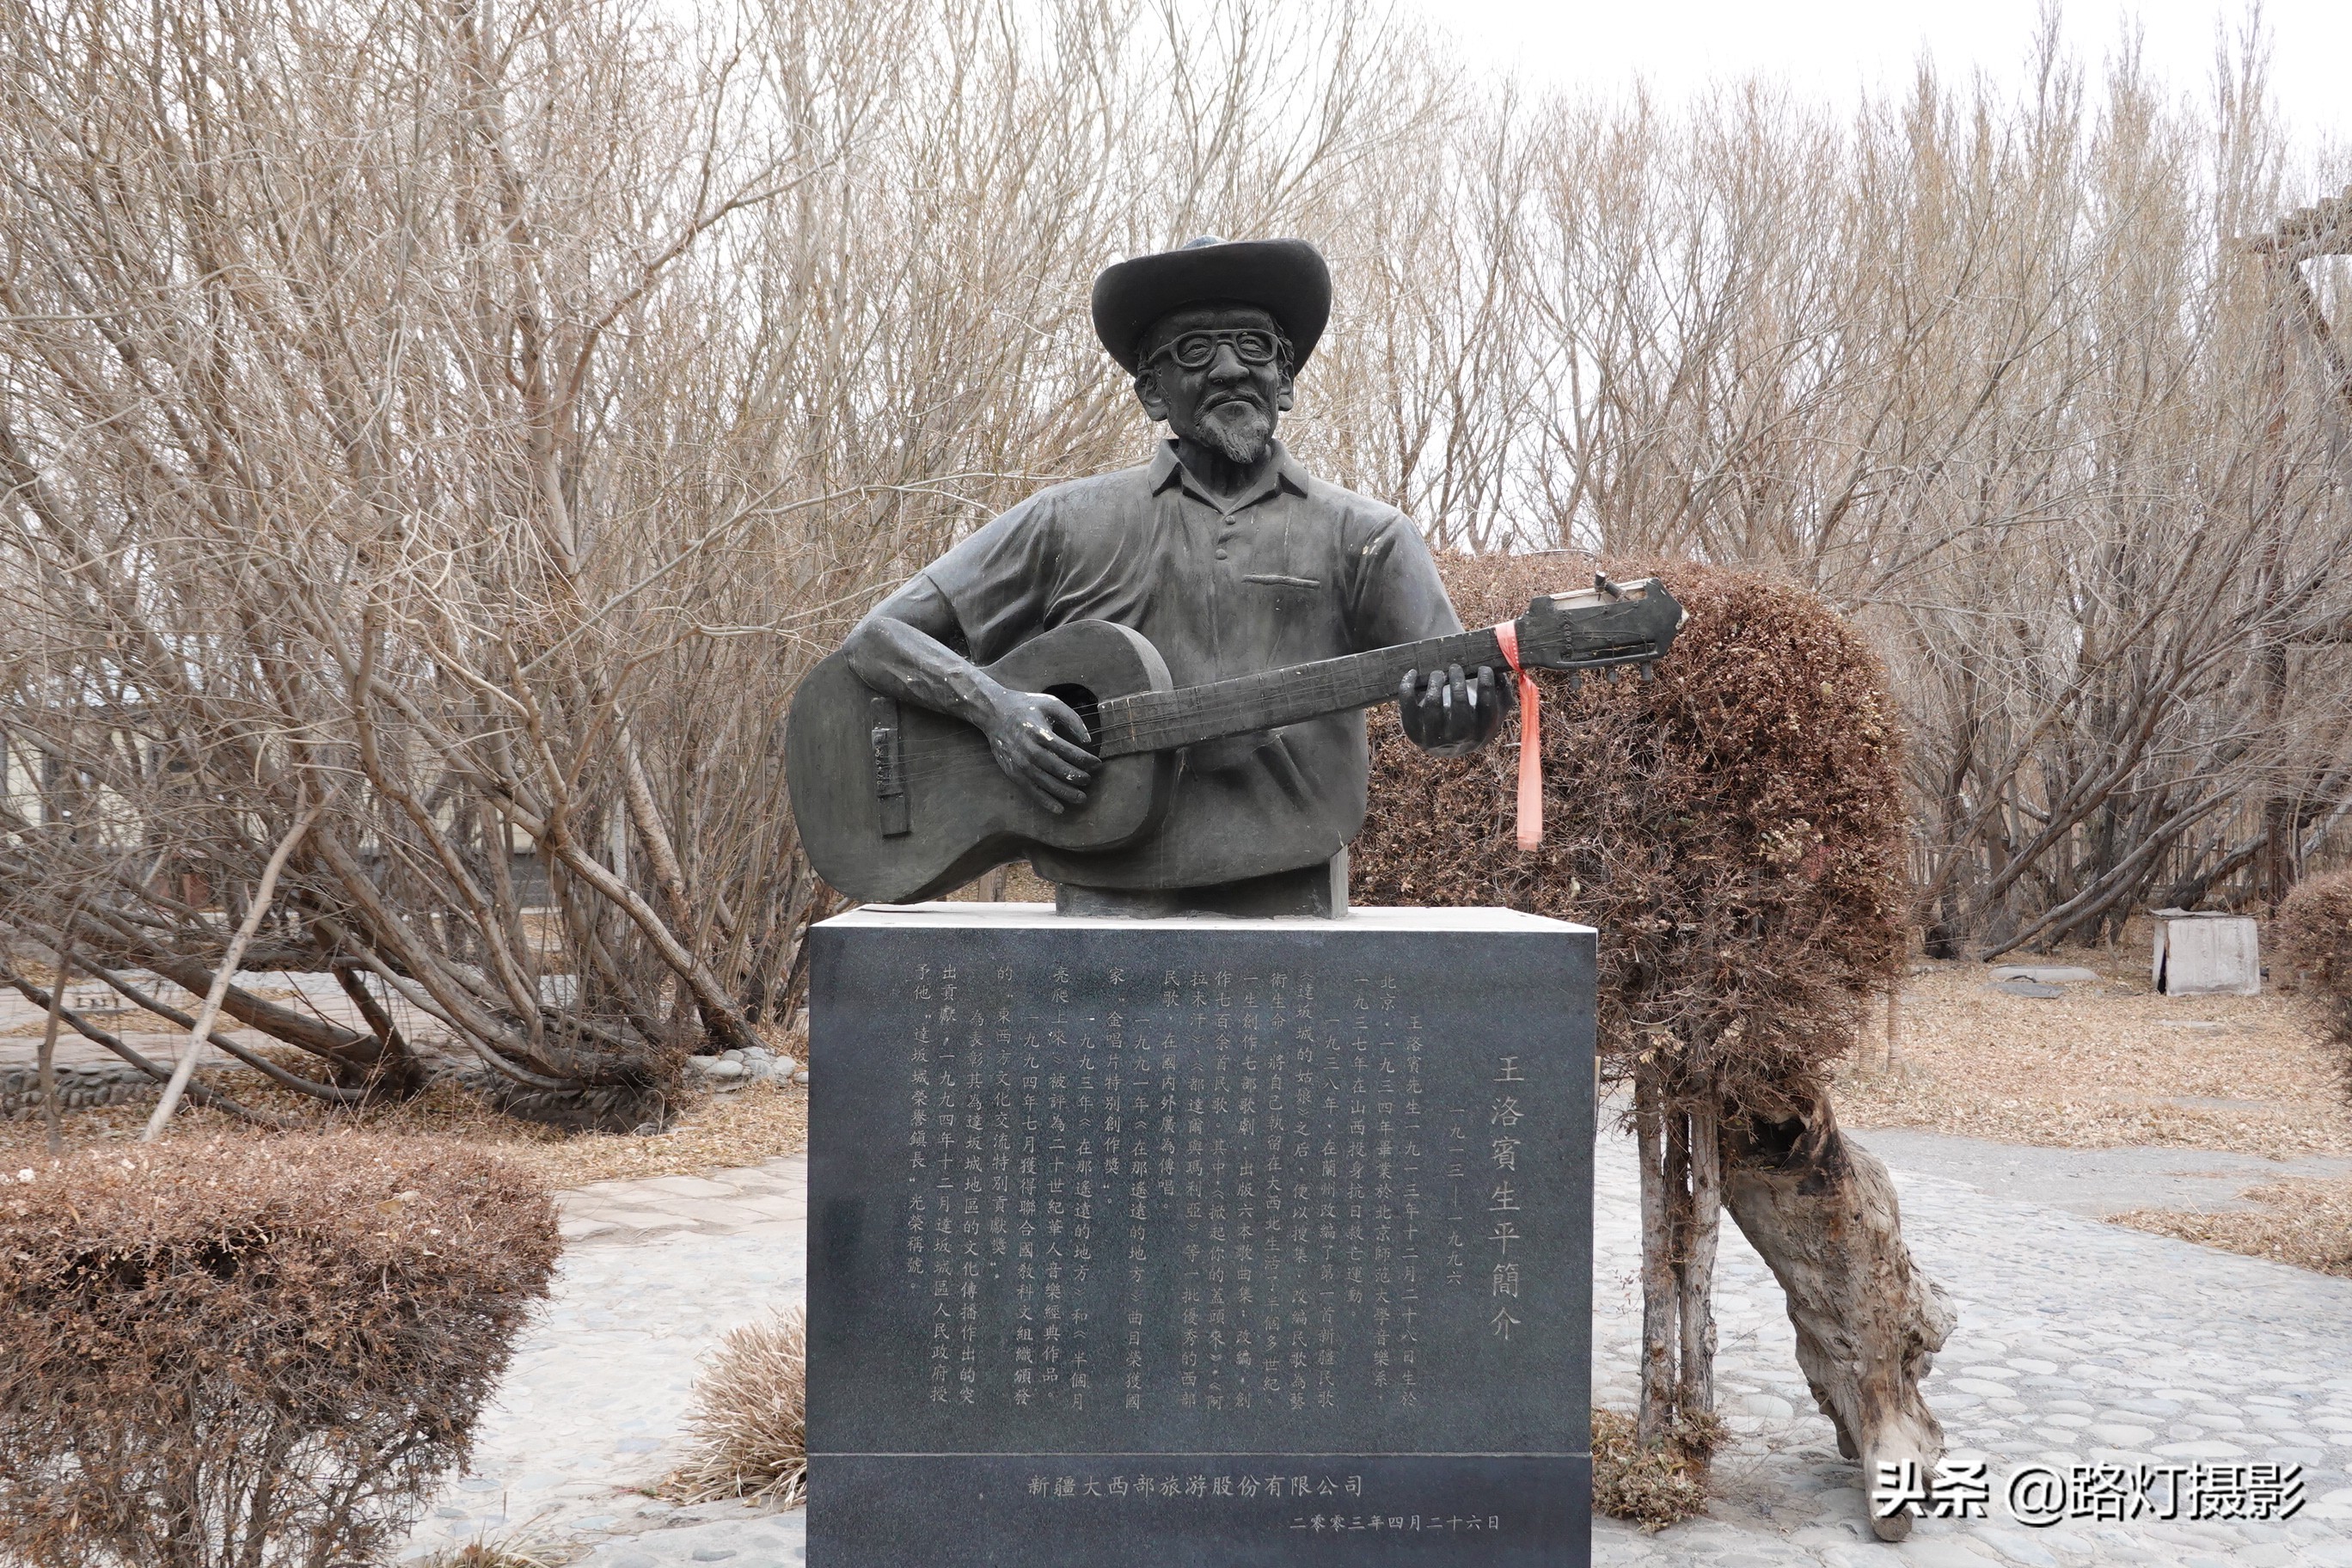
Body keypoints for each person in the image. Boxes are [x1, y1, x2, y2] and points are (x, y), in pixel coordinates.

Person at [842, 236, 1505, 915]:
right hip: (1103, 879)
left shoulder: (1368, 537)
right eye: (1194, 350)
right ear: (1153, 393)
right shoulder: (1066, 521)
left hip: (1288, 877)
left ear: (1286, 380)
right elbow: (877, 639)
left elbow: (1455, 715)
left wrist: (1458, 716)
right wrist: (996, 712)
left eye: (1253, 347)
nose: (1227, 370)